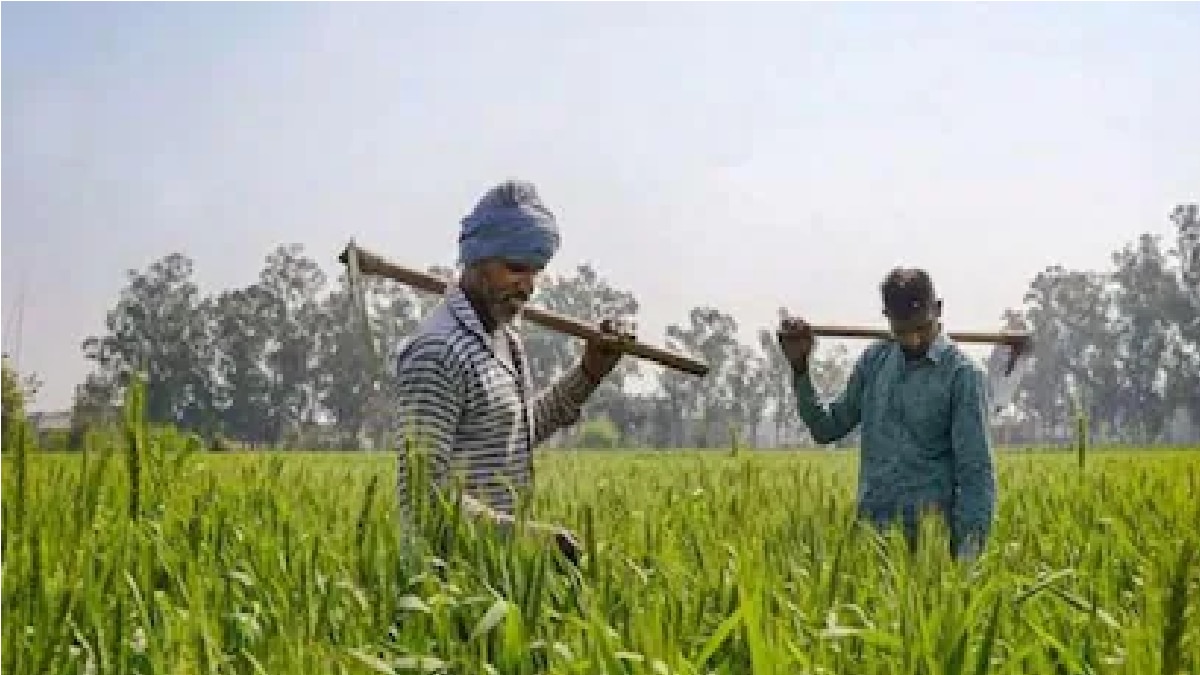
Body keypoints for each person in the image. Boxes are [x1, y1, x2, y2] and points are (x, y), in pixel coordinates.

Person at [392, 179, 633, 565]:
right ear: (476, 260)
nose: (528, 286)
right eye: (516, 269)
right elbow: (423, 496)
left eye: (535, 272)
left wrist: (590, 372)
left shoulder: (503, 339)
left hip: (495, 571)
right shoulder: (438, 351)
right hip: (442, 583)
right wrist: (527, 538)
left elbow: (515, 435)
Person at [777, 267, 996, 561]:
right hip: (871, 540)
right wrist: (800, 368)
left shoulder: (962, 376)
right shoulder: (874, 363)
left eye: (923, 328)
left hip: (930, 549)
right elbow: (826, 428)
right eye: (903, 332)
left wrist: (968, 557)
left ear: (939, 309)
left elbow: (976, 472)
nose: (914, 340)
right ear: (888, 318)